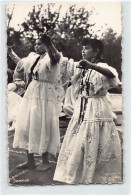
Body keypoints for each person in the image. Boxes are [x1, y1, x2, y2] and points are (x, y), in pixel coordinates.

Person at [53, 38, 122, 184]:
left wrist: (91, 66)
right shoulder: (82, 67)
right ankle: (79, 174)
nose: (83, 51)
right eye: (82, 48)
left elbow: (112, 76)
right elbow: (63, 63)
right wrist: (49, 46)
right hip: (82, 108)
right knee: (79, 141)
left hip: (97, 108)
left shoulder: (101, 66)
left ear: (96, 51)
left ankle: (96, 175)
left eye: (87, 48)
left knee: (96, 140)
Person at [12, 34, 61, 171]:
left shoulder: (51, 58)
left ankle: (45, 162)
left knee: (42, 124)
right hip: (32, 92)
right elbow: (21, 64)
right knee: (27, 124)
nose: (36, 46)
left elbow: (55, 58)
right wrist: (10, 52)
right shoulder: (33, 57)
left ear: (46, 46)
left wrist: (49, 44)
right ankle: (30, 161)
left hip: (45, 94)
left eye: (40, 44)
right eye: (36, 44)